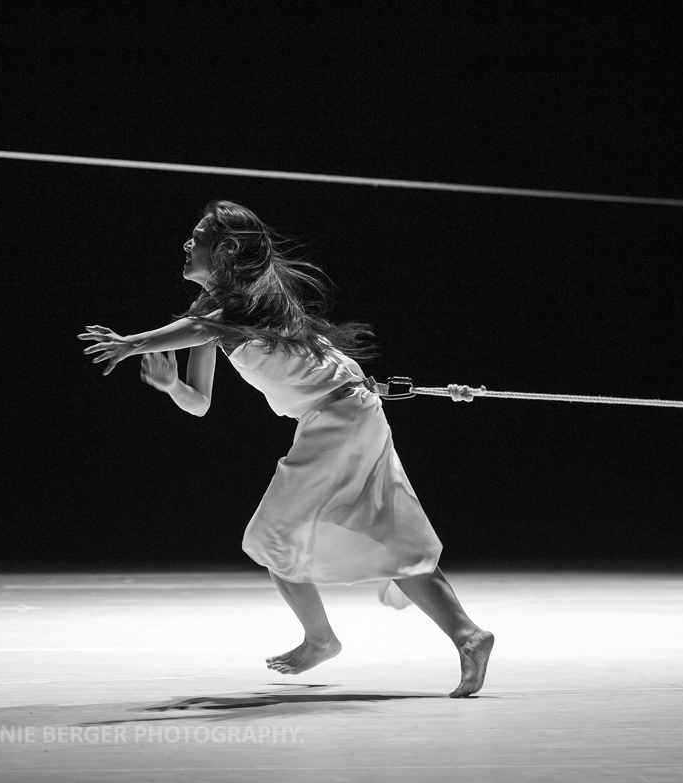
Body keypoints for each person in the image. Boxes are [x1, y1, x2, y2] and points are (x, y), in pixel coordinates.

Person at [79, 201, 493, 697]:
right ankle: (469, 636)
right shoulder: (212, 314)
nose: (186, 245)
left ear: (227, 249)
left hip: (340, 416)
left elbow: (208, 328)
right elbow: (199, 403)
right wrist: (170, 386)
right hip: (344, 414)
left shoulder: (243, 301)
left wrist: (131, 343)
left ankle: (320, 639)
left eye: (198, 237)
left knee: (271, 536)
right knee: (389, 537)